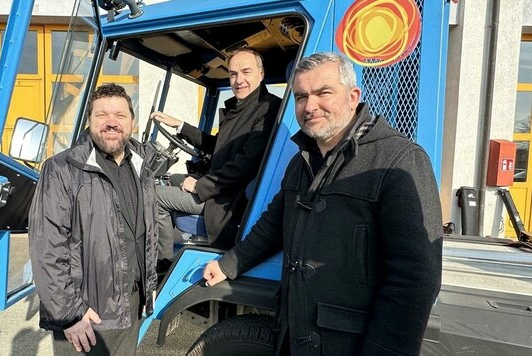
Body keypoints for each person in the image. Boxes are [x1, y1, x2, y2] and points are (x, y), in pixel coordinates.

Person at [203, 52, 443, 355]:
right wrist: (229, 263)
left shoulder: (398, 160)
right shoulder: (300, 162)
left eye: (323, 92)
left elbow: (415, 277)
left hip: (347, 344)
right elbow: (274, 223)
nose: (310, 105)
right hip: (295, 335)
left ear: (353, 96)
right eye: (301, 96)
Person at [28, 83, 159, 355]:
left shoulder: (142, 167)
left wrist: (149, 289)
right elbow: (46, 249)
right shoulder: (62, 169)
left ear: (132, 122)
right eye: (102, 115)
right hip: (87, 318)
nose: (112, 122)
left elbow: (147, 235)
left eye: (120, 115)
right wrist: (69, 315)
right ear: (90, 121)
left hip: (130, 307)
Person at [151, 48, 282, 270]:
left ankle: (163, 263)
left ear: (261, 73)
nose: (239, 80)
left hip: (229, 200)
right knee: (171, 179)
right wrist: (181, 126)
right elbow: (220, 147)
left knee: (153, 195)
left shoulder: (267, 109)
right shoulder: (243, 107)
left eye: (246, 72)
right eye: (233, 74)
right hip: (224, 188)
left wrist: (200, 185)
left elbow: (244, 166)